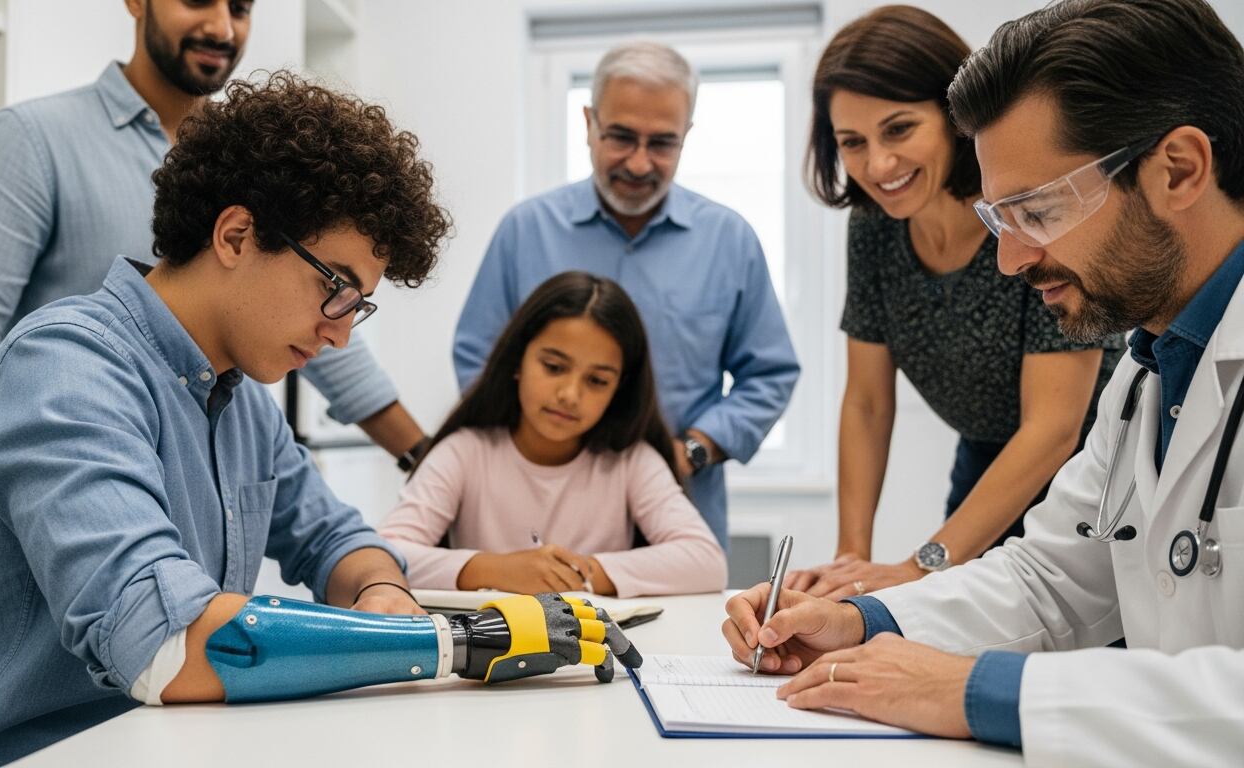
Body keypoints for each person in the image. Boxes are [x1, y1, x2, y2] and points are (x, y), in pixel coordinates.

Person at [0, 74, 640, 768]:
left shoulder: (241, 398)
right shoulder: (64, 371)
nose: (341, 333)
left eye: (359, 305)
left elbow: (335, 539)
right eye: (336, 289)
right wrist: (450, 641)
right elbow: (166, 645)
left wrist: (382, 592)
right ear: (235, 236)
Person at [722, 0, 1244, 762]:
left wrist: (974, 691)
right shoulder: (1145, 371)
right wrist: (865, 620)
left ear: (1179, 170)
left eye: (1037, 210)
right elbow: (1052, 576)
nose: (1010, 262)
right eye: (1003, 220)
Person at [0, 0, 432, 605]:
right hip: (68, 480)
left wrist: (425, 459)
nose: (223, 27)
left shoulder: (269, 184)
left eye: (242, 7)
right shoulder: (38, 144)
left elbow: (323, 329)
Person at [784, 5, 1123, 600]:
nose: (878, 165)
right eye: (852, 143)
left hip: (1095, 468)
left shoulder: (1021, 213)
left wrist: (920, 567)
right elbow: (866, 403)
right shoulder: (874, 226)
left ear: (951, 117)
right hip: (986, 464)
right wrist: (850, 562)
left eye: (898, 129)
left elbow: (1052, 428)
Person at [452, 41, 800, 549]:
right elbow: (479, 359)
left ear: (687, 138)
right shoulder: (526, 231)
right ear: (589, 123)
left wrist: (693, 451)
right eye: (620, 137)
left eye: (662, 143)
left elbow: (770, 374)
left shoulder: (730, 240)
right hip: (535, 517)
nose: (639, 163)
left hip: (678, 514)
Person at [380, 272, 727, 597]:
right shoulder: (465, 452)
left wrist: (579, 572)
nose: (570, 395)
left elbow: (707, 561)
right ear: (518, 360)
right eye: (554, 367)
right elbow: (383, 556)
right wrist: (497, 570)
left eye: (597, 381)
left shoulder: (632, 460)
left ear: (619, 390)